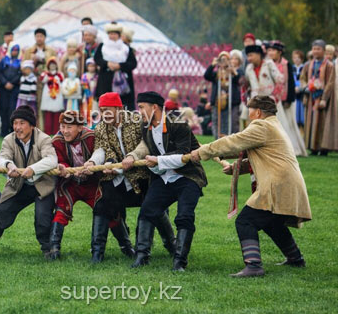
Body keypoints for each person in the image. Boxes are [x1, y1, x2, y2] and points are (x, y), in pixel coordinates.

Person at [191, 96, 312, 277]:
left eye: (250, 110)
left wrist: (202, 152)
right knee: (272, 222)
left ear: (258, 112)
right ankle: (296, 258)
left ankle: (254, 266)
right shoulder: (274, 126)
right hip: (287, 182)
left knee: (246, 221)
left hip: (278, 184)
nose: (248, 114)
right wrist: (235, 168)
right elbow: (260, 156)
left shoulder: (261, 126)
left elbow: (232, 142)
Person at [82, 92, 174, 263]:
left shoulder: (137, 121)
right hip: (118, 177)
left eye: (107, 110)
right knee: (102, 204)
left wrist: (132, 156)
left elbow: (146, 143)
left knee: (153, 207)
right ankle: (97, 253)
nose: (104, 114)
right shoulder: (101, 127)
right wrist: (96, 162)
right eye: (101, 110)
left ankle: (169, 245)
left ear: (118, 108)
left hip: (143, 175)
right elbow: (102, 149)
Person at [122, 91, 208, 271]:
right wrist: (153, 164)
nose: (139, 112)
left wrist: (157, 160)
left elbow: (183, 155)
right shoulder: (145, 128)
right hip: (164, 177)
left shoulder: (179, 125)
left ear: (154, 108)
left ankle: (179, 262)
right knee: (146, 211)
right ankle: (141, 257)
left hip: (188, 177)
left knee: (184, 217)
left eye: (141, 107)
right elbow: (154, 160)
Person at [0, 106, 58, 258]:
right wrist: (8, 165)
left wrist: (32, 169)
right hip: (18, 185)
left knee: (42, 218)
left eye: (22, 123)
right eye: (15, 123)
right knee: (1, 215)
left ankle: (48, 250)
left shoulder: (44, 139)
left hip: (42, 185)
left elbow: (52, 160)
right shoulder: (9, 139)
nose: (17, 127)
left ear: (32, 125)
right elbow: (2, 157)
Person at [46, 110, 107, 261]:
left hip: (92, 183)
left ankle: (123, 246)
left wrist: (91, 167)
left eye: (69, 127)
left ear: (80, 127)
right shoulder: (56, 141)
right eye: (62, 126)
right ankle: (54, 249)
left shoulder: (91, 137)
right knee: (61, 210)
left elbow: (101, 154)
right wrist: (64, 168)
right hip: (69, 184)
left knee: (106, 210)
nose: (64, 131)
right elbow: (58, 160)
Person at [266, 41, 307, 156]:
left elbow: (290, 83)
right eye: (269, 50)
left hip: (286, 100)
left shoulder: (286, 64)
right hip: (273, 99)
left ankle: (294, 149)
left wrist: (288, 99)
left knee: (289, 124)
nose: (270, 52)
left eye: (273, 50)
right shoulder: (267, 64)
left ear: (279, 52)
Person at [300, 39, 335, 155]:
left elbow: (331, 82)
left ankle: (323, 148)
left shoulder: (330, 65)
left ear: (324, 51)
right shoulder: (308, 65)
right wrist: (306, 86)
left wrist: (325, 98)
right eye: (314, 49)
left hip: (323, 97)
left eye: (318, 49)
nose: (315, 51)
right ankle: (312, 147)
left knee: (322, 122)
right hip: (310, 97)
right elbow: (302, 78)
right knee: (310, 121)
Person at [94, 23, 137, 109]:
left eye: (114, 34)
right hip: (106, 80)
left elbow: (133, 63)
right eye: (110, 34)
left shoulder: (126, 48)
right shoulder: (103, 46)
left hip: (122, 82)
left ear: (119, 35)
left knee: (123, 104)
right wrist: (107, 63)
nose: (112, 36)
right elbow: (97, 58)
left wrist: (120, 66)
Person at [23, 27, 57, 126]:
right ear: (35, 37)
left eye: (41, 36)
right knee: (33, 103)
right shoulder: (29, 51)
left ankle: (44, 126)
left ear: (45, 37)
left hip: (47, 81)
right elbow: (24, 66)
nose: (39, 38)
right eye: (37, 36)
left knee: (45, 102)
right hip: (32, 80)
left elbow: (55, 64)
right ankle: (33, 126)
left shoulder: (50, 51)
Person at [204, 50, 242, 137]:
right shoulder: (216, 73)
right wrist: (213, 65)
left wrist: (232, 70)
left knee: (229, 123)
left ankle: (229, 142)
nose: (223, 62)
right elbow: (206, 75)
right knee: (216, 122)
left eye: (226, 59)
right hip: (217, 102)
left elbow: (238, 80)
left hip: (230, 102)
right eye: (221, 59)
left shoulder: (232, 72)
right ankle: (217, 141)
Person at [0, 42, 21, 137]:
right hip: (4, 88)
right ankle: (3, 130)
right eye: (13, 50)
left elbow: (20, 74)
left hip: (14, 89)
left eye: (16, 50)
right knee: (3, 109)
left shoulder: (20, 61)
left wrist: (12, 83)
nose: (15, 52)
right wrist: (5, 82)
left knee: (12, 109)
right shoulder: (4, 60)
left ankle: (12, 130)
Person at [40, 57, 65, 135]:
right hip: (48, 95)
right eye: (51, 65)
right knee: (48, 115)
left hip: (57, 95)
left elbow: (62, 80)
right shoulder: (45, 74)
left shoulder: (60, 75)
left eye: (54, 65)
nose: (52, 66)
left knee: (57, 114)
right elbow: (43, 79)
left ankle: (56, 131)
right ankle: (48, 131)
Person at [80, 58, 98, 123]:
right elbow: (83, 85)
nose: (91, 68)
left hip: (94, 97)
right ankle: (87, 124)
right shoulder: (84, 75)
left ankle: (94, 124)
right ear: (87, 67)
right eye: (90, 66)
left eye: (93, 66)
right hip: (86, 97)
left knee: (94, 111)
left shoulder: (97, 76)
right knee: (86, 111)